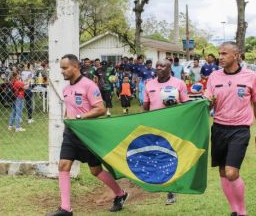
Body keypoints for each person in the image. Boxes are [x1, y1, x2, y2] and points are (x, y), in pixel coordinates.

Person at [46, 54, 128, 216]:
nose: (62, 71)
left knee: (96, 171)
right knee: (63, 165)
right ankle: (66, 209)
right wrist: (67, 118)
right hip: (71, 133)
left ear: (75, 67)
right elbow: (69, 109)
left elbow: (101, 109)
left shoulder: (89, 85)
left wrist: (78, 117)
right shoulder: (66, 88)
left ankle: (120, 194)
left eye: (65, 68)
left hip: (87, 134)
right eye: (61, 68)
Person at [204, 41, 256, 216]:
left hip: (240, 129)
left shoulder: (250, 76)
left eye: (224, 54)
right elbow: (208, 104)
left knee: (231, 172)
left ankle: (242, 211)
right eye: (219, 54)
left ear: (236, 56)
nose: (220, 57)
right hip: (219, 128)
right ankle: (234, 210)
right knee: (223, 172)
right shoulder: (214, 77)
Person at [143, 58, 189, 205]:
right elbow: (145, 106)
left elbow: (186, 104)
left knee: (170, 154)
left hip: (173, 124)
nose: (159, 68)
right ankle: (160, 182)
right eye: (157, 66)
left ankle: (171, 190)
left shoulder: (178, 83)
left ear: (170, 69)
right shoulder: (149, 84)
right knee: (158, 153)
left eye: (163, 66)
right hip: (155, 125)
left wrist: (176, 104)